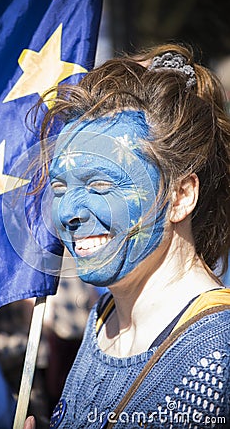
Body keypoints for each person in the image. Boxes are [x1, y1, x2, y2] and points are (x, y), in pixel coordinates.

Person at [25, 43, 230, 428]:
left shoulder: (219, 354)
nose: (68, 212)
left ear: (180, 195)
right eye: (59, 189)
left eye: (101, 185)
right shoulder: (104, 319)